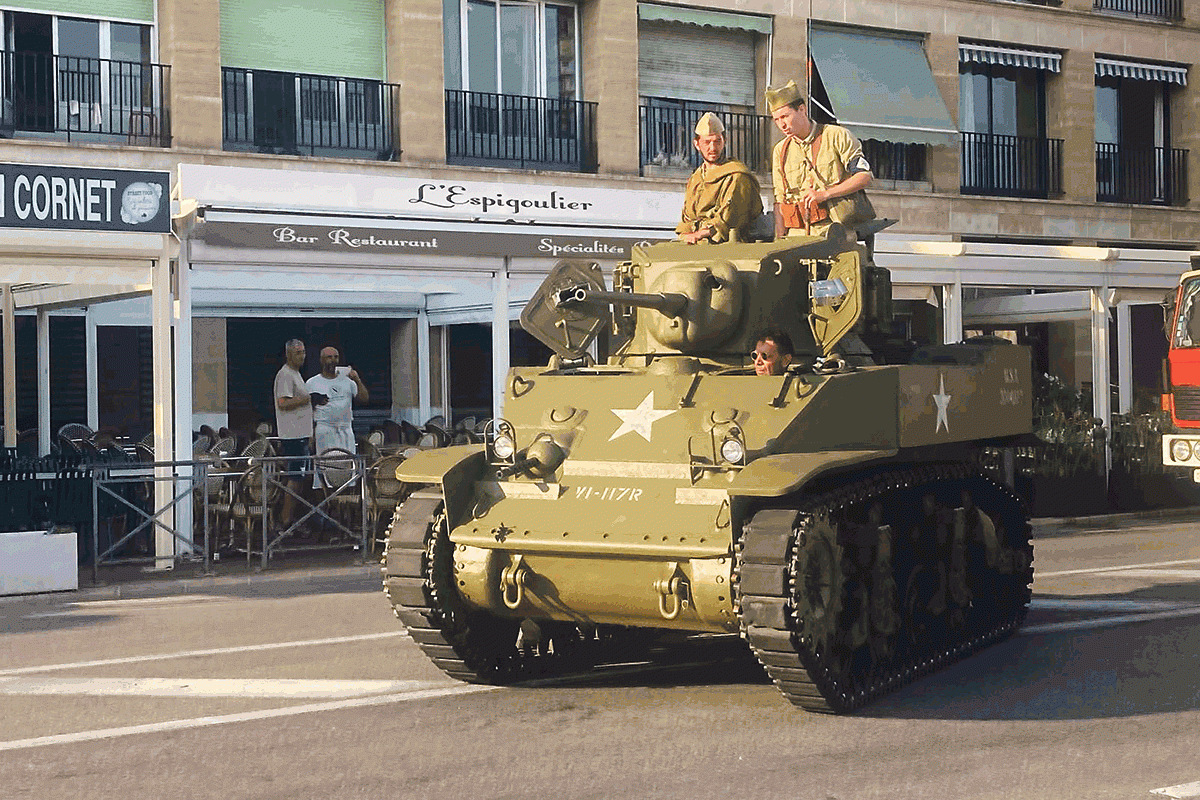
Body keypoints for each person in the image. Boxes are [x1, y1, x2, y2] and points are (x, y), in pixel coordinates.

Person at [765, 80, 873, 239]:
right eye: (776, 119)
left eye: (785, 116)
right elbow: (780, 199)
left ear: (802, 109)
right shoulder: (780, 151)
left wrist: (826, 194)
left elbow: (864, 176)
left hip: (835, 231)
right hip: (797, 235)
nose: (782, 124)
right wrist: (779, 237)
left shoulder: (836, 136)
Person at [676, 112, 764, 244]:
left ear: (725, 141)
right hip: (696, 243)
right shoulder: (696, 178)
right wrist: (686, 235)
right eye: (707, 142)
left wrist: (702, 233)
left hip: (727, 244)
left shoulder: (737, 175)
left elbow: (729, 216)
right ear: (697, 144)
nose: (713, 148)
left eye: (717, 141)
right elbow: (687, 217)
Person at [306, 346, 369, 487]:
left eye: (335, 357)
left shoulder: (347, 381)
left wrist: (357, 379)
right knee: (325, 468)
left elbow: (364, 398)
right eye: (329, 357)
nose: (332, 360)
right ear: (322, 360)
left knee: (347, 469)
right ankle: (326, 502)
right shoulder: (311, 383)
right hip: (324, 431)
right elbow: (306, 411)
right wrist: (310, 434)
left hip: (345, 430)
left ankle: (346, 502)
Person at [274, 338, 313, 527]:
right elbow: (283, 403)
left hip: (302, 435)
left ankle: (293, 519)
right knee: (294, 478)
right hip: (292, 436)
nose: (302, 356)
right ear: (289, 354)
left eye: (304, 352)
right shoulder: (285, 375)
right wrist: (307, 399)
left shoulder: (297, 374)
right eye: (298, 353)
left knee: (300, 479)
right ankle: (285, 520)